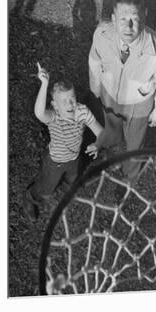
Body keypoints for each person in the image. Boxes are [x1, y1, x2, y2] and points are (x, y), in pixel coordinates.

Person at [88, 0, 156, 180]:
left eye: (135, 19)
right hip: (109, 94)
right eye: (122, 19)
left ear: (145, 16)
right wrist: (95, 86)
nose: (128, 27)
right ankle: (111, 139)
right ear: (112, 18)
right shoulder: (101, 34)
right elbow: (94, 61)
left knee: (135, 144)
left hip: (139, 104)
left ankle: (130, 175)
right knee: (111, 124)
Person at [25, 63, 103, 220]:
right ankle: (30, 198)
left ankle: (67, 190)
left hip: (74, 158)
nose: (70, 104)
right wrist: (44, 84)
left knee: (72, 179)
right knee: (46, 189)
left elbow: (100, 131)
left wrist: (98, 144)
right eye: (64, 101)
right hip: (56, 161)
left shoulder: (81, 112)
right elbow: (39, 113)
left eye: (72, 98)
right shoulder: (54, 117)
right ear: (55, 105)